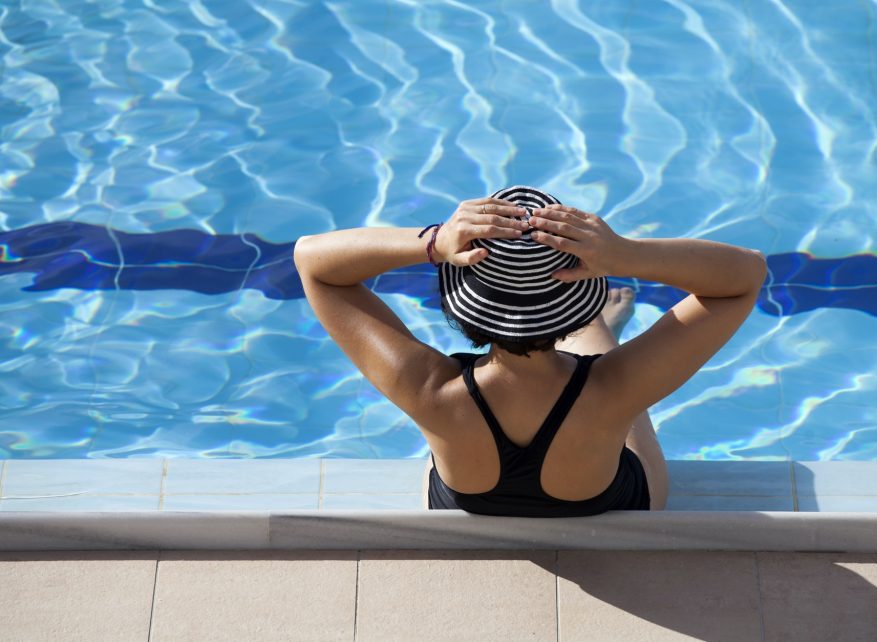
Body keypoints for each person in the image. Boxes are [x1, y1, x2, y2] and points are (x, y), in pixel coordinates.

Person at [292, 185, 766, 517]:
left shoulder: (428, 388)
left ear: (465, 297)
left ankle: (576, 329)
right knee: (624, 395)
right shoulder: (614, 386)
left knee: (444, 439)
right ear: (580, 296)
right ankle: (596, 327)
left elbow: (312, 260)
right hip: (609, 503)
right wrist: (625, 254)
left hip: (465, 505)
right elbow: (745, 277)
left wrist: (434, 241)